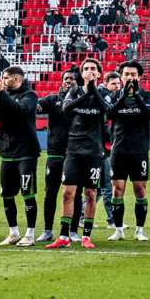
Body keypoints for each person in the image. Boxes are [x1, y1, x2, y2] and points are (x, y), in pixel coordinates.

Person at [46, 58, 108, 250]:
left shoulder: (103, 93)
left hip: (94, 152)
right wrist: (85, 93)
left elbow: (104, 109)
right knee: (67, 193)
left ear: (99, 74)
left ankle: (86, 236)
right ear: (81, 74)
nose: (89, 71)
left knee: (90, 194)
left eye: (93, 69)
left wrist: (92, 90)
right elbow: (66, 108)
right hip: (73, 150)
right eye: (86, 69)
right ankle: (64, 236)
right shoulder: (73, 91)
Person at [0, 65, 40, 246]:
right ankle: (13, 233)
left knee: (27, 193)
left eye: (6, 78)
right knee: (7, 194)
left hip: (26, 151)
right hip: (7, 152)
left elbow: (20, 110)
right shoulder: (3, 96)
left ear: (16, 79)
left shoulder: (30, 96)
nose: (3, 81)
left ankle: (30, 235)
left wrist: (1, 94)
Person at [105, 60, 150, 242]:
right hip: (119, 149)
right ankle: (118, 230)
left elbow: (149, 114)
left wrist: (136, 96)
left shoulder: (147, 95)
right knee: (117, 189)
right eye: (126, 74)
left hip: (139, 150)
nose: (130, 78)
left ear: (139, 77)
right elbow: (109, 114)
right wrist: (123, 97)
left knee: (139, 190)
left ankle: (139, 230)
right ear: (121, 76)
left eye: (133, 75)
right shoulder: (113, 96)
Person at [34, 70, 78, 244]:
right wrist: (35, 105)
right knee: (50, 193)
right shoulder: (53, 99)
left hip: (75, 153)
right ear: (61, 82)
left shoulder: (82, 100)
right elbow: (38, 105)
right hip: (55, 153)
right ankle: (47, 230)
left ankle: (73, 231)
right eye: (66, 78)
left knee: (75, 193)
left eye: (72, 79)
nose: (68, 81)